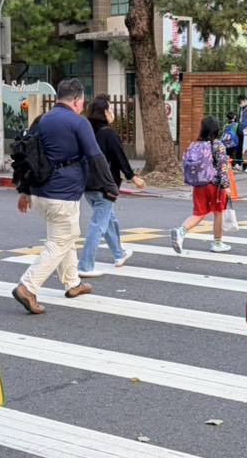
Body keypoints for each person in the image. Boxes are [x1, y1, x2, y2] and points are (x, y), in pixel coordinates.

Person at [12, 78, 118, 315]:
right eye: (82, 102)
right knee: (61, 241)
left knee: (64, 237)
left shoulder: (41, 120)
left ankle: (73, 283)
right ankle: (27, 287)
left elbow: (25, 156)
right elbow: (96, 157)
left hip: (40, 193)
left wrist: (24, 190)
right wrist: (110, 187)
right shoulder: (77, 122)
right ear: (78, 100)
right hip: (62, 193)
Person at [79, 95, 146, 277]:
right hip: (105, 186)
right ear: (105, 113)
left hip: (88, 186)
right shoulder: (108, 133)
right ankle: (85, 266)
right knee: (98, 225)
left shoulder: (86, 131)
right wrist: (133, 177)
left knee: (109, 219)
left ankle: (119, 254)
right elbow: (119, 157)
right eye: (110, 109)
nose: (112, 113)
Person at [172, 116, 233, 254]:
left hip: (199, 184)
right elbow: (223, 167)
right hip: (215, 185)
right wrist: (226, 186)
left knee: (199, 213)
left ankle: (181, 231)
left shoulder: (195, 145)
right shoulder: (218, 145)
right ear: (217, 129)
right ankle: (217, 243)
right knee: (218, 213)